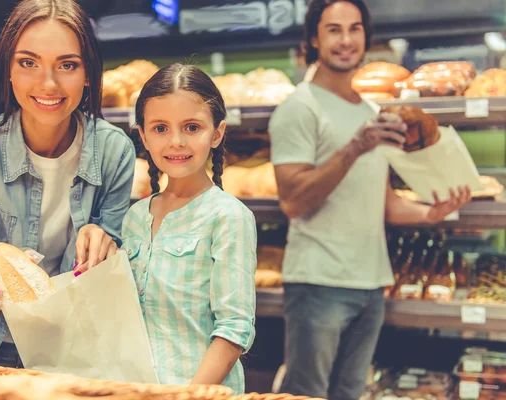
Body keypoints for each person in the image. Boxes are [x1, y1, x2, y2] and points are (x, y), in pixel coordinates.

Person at [268, 1, 471, 399]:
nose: (346, 40)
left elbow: (387, 205)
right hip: (318, 283)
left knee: (349, 393)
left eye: (354, 28)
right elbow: (293, 201)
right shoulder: (298, 108)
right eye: (334, 29)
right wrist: (353, 148)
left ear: (365, 36)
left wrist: (433, 213)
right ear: (314, 38)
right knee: (306, 393)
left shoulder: (373, 111)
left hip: (371, 283)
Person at [0, 0, 135, 367]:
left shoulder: (114, 150)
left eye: (68, 65)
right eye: (28, 63)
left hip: (72, 335)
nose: (48, 83)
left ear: (89, 73)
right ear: (7, 69)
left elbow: (111, 257)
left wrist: (107, 245)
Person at [121, 64, 256, 394]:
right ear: (143, 136)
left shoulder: (228, 216)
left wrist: (189, 395)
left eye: (192, 127)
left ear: (217, 133)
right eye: (161, 128)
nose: (176, 141)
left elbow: (234, 329)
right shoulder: (135, 217)